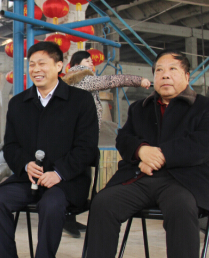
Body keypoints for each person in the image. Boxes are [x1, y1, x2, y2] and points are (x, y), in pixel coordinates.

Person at [66, 50, 209, 258]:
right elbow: (123, 138)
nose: (165, 75)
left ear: (186, 76)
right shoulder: (140, 107)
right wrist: (140, 151)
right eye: (159, 70)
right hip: (140, 177)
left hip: (181, 181)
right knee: (103, 203)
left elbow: (203, 145)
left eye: (172, 70)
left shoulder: (205, 107)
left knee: (182, 209)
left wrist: (157, 156)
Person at [0, 42, 98, 258]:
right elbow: (11, 145)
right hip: (28, 179)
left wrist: (59, 173)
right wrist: (24, 164)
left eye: (42, 63)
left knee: (51, 205)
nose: (36, 69)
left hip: (67, 180)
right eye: (32, 64)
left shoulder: (80, 101)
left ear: (59, 66)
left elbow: (87, 148)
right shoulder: (19, 103)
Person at [61, 50, 151, 238]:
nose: (91, 64)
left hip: (73, 138)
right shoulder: (83, 79)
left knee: (76, 177)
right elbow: (111, 81)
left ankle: (69, 216)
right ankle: (67, 215)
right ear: (77, 64)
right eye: (88, 61)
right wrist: (138, 80)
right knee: (80, 179)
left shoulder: (69, 82)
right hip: (80, 140)